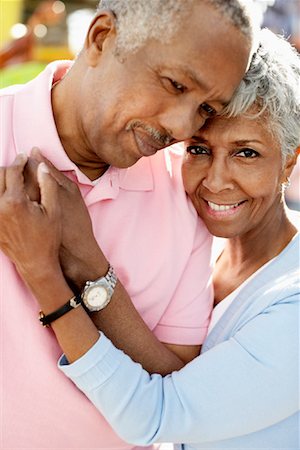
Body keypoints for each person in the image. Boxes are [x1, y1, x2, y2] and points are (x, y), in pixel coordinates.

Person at [0, 28, 299, 449]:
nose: (215, 181)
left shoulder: (293, 300)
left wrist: (59, 268)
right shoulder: (202, 236)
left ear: (290, 160)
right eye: (197, 150)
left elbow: (158, 414)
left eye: (245, 153)